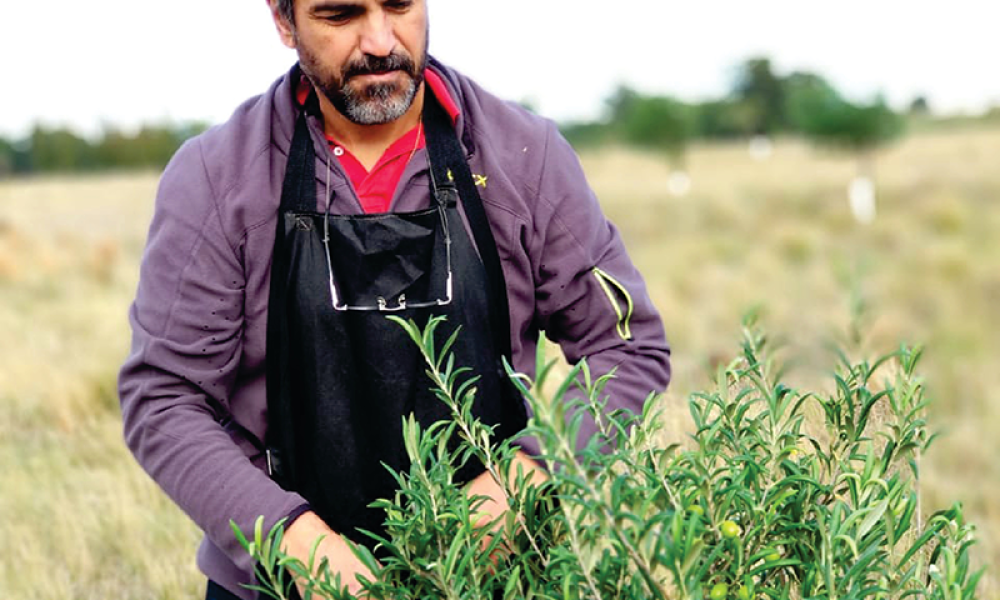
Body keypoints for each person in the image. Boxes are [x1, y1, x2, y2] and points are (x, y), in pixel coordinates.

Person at [118, 1, 671, 598]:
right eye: (340, 14)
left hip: (500, 575)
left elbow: (628, 347)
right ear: (283, 22)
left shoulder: (523, 156)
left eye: (400, 5)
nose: (381, 41)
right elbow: (164, 397)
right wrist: (299, 545)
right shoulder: (215, 177)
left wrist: (526, 475)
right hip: (281, 583)